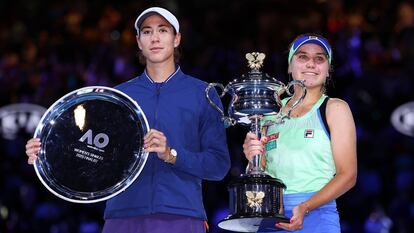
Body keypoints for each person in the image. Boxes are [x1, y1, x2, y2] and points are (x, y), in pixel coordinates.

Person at [25, 6, 230, 233]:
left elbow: (218, 165)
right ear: (138, 42)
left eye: (163, 30)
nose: (154, 38)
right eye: (147, 32)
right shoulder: (118, 96)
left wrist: (171, 154)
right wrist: (48, 153)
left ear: (177, 39)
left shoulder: (202, 94)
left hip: (180, 216)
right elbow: (91, 150)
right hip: (122, 216)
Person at [242, 34, 357, 232]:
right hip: (270, 215)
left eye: (319, 58)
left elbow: (348, 175)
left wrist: (305, 206)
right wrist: (251, 157)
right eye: (302, 57)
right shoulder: (270, 112)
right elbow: (258, 171)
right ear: (289, 66)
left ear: (328, 70)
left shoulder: (335, 108)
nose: (311, 64)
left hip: (317, 215)